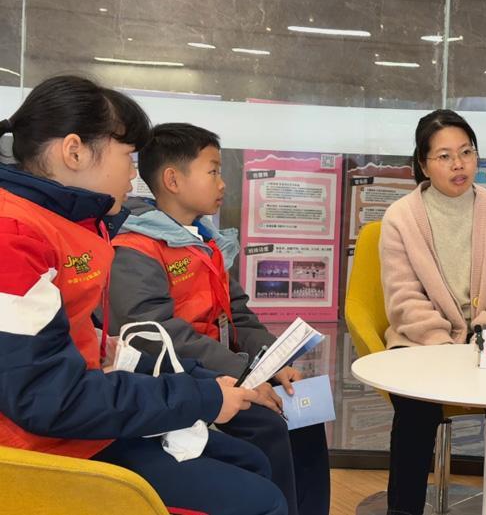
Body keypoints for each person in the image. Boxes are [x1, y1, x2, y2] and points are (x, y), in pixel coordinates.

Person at [0, 75, 285, 515]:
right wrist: (202, 396)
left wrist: (203, 382)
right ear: (74, 151)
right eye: (128, 157)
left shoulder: (72, 222)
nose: (134, 174)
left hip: (78, 424)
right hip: (38, 452)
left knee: (251, 461)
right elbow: (47, 396)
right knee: (261, 500)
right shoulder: (16, 235)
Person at [108, 122, 330, 515]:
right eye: (212, 171)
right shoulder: (136, 247)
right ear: (173, 180)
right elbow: (160, 335)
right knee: (268, 425)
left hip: (229, 370)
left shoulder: (206, 242)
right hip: (184, 379)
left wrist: (273, 363)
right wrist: (245, 374)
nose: (222, 183)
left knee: (307, 410)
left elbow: (237, 313)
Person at [379, 109, 486, 515]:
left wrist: (484, 339)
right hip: (422, 343)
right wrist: (445, 347)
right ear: (423, 164)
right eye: (444, 156)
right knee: (416, 410)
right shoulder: (400, 217)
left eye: (466, 152)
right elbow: (404, 299)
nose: (458, 164)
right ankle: (402, 510)